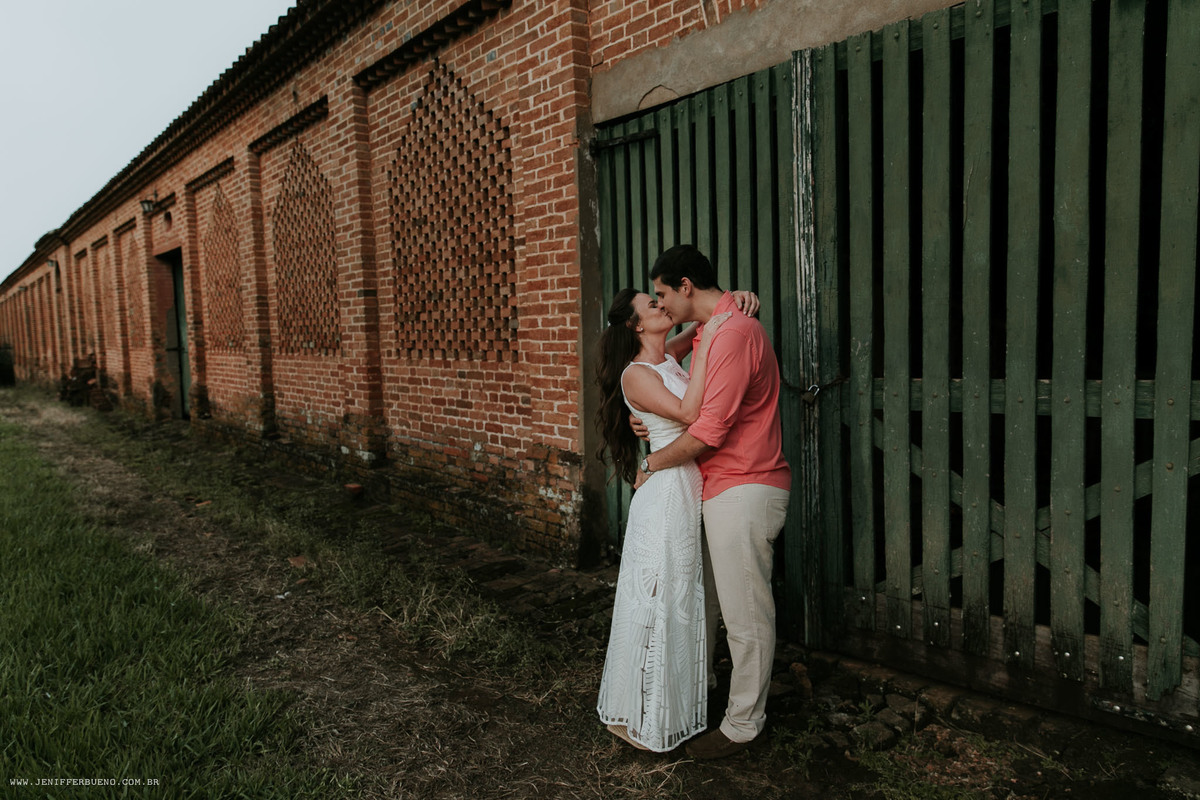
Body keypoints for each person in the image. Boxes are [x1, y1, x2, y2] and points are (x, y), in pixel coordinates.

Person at [633, 244, 791, 760]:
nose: (659, 304)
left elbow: (708, 433)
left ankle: (744, 724)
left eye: (662, 293)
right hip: (715, 488)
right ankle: (696, 699)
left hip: (745, 485)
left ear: (685, 286)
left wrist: (654, 460)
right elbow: (664, 361)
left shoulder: (735, 332)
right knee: (708, 604)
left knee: (747, 615)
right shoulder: (712, 330)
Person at [593, 286, 755, 752]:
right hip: (663, 494)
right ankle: (642, 714)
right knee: (658, 601)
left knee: (683, 599)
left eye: (660, 297)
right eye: (651, 304)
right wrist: (714, 340)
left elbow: (697, 331)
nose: (662, 304)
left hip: (687, 487)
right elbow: (688, 411)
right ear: (635, 325)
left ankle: (670, 703)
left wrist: (733, 302)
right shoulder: (637, 374)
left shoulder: (667, 356)